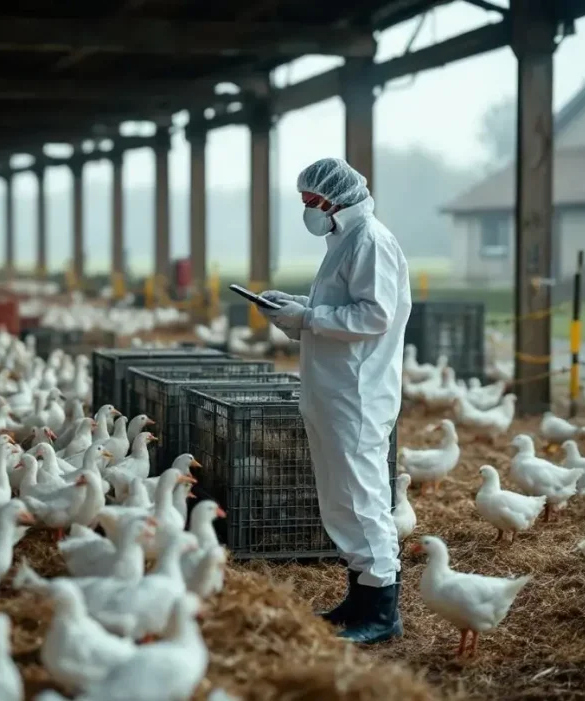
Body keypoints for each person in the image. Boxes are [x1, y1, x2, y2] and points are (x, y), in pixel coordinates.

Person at [260, 157, 411, 644]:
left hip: (358, 393)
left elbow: (373, 316)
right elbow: (341, 310)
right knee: (341, 497)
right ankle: (360, 596)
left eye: (313, 201)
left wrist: (308, 318)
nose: (307, 209)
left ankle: (382, 611)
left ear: (337, 198)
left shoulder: (369, 240)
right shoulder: (344, 239)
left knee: (364, 498)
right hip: (334, 388)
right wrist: (299, 311)